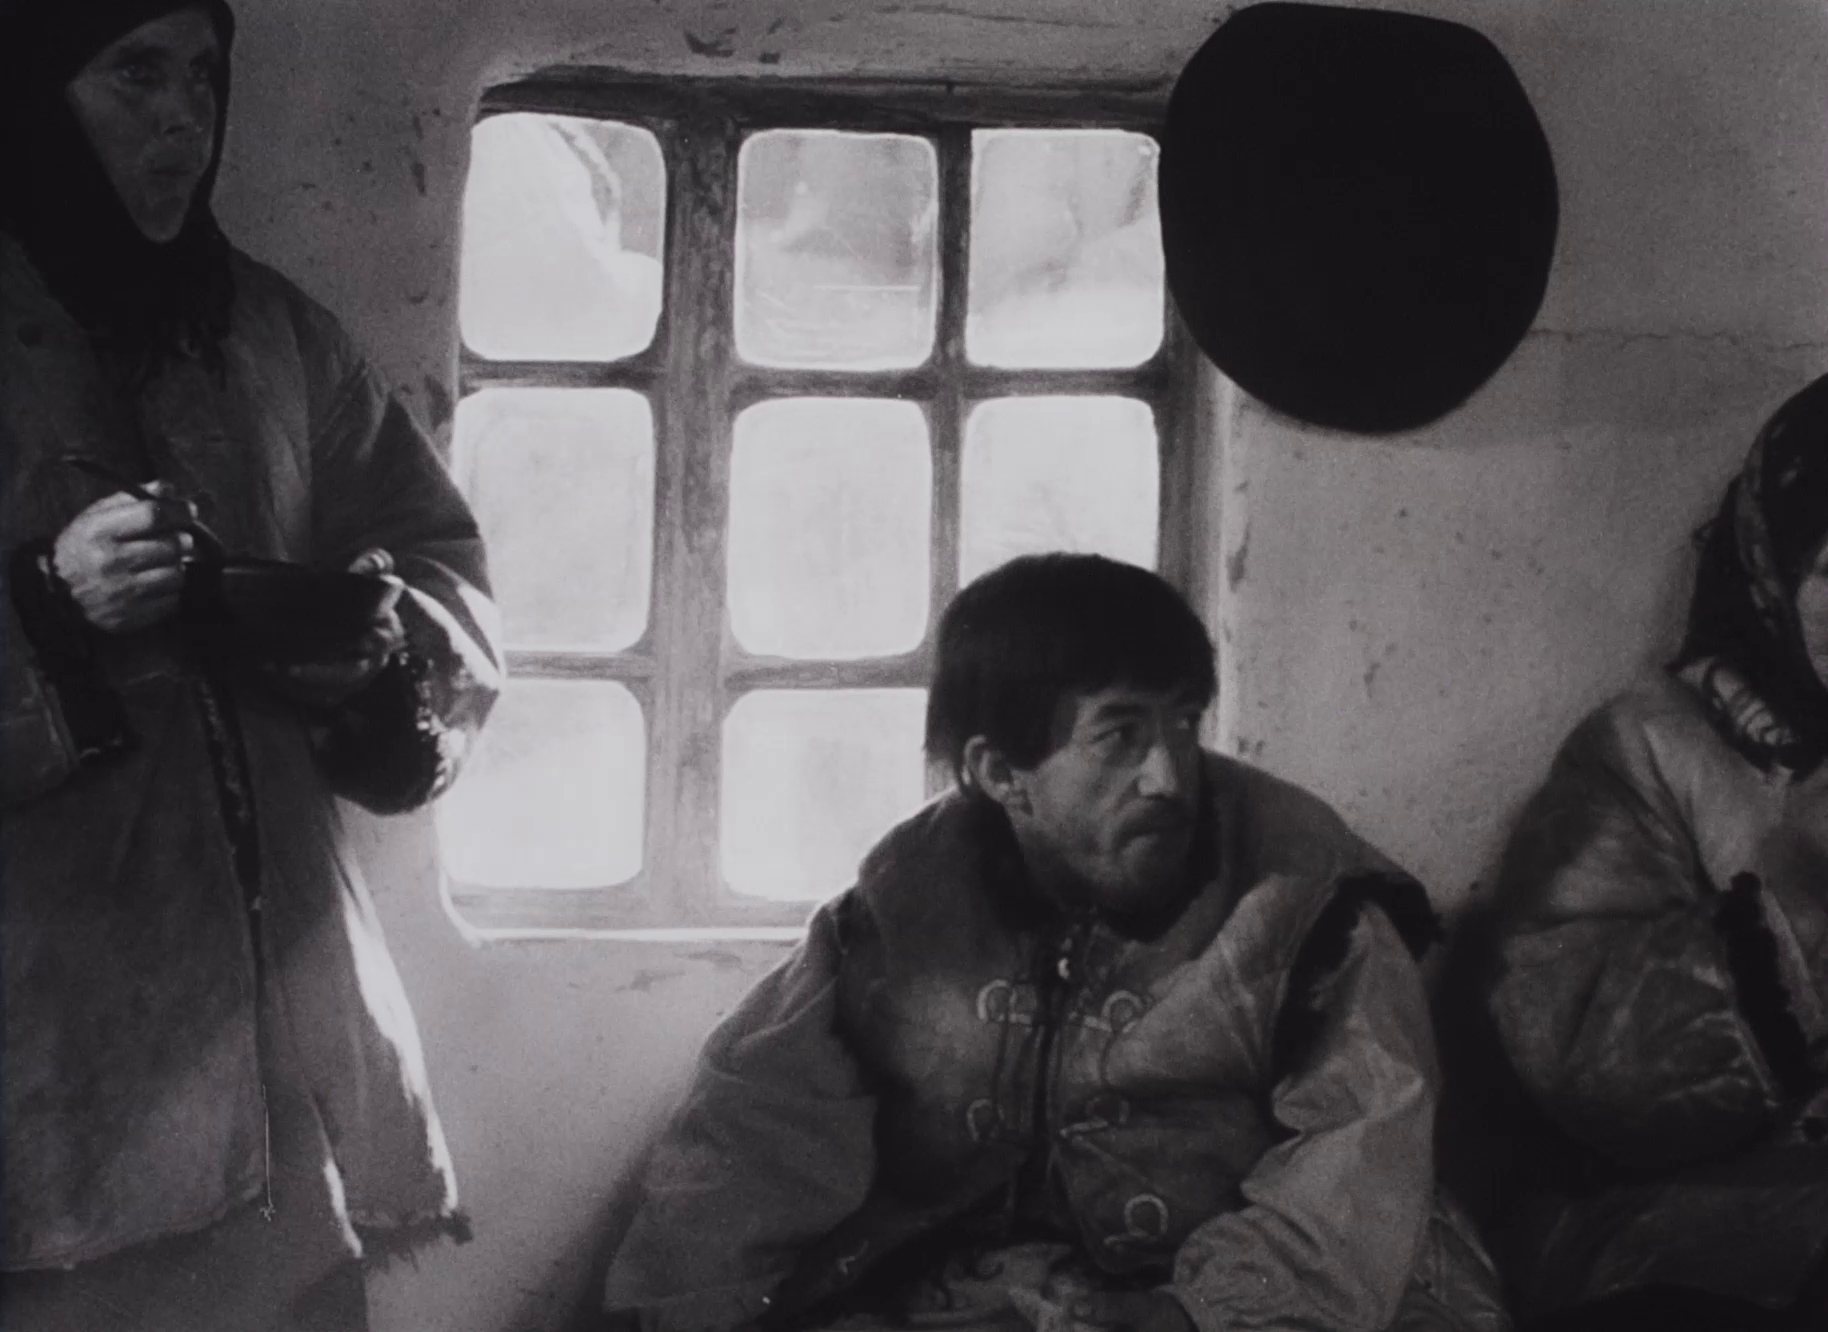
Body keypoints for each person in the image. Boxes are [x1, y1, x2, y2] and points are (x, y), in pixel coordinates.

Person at [603, 554, 1509, 1332]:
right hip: (989, 1296)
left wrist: (1190, 1314)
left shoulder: (1310, 898)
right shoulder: (901, 904)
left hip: (1279, 1302)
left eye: (1183, 723)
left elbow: (1366, 1150)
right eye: (1120, 736)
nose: (1169, 776)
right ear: (1002, 773)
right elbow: (756, 1131)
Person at [0, 1, 500, 1327]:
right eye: (136, 74)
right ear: (33, 91)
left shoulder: (273, 335)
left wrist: (375, 655)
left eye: (204, 77)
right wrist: (48, 605)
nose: (184, 118)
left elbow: (437, 562)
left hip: (285, 1051)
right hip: (40, 1069)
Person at [1481, 373, 1828, 1331]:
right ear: (1772, 575)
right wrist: (1800, 919)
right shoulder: (1648, 746)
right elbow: (1574, 1059)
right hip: (1688, 1223)